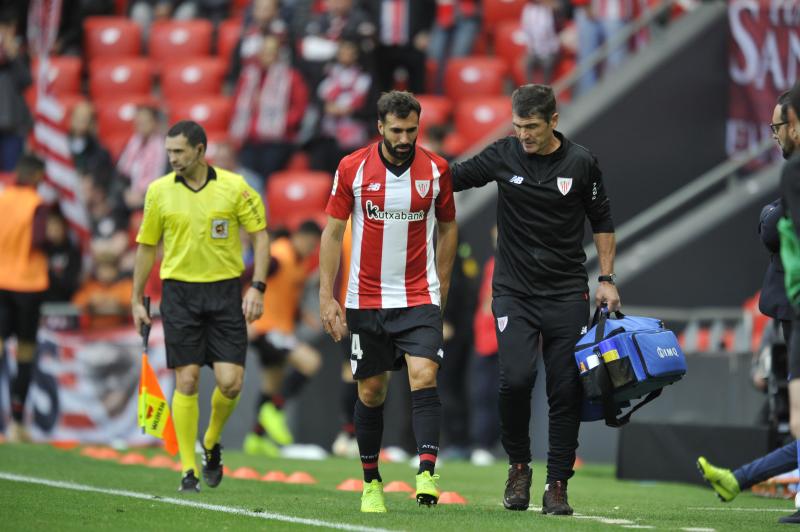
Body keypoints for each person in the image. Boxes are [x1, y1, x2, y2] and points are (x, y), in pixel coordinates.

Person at [451, 84, 619, 515]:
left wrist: (606, 278)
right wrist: (409, 162)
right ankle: (519, 466)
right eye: (518, 125)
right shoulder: (504, 154)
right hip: (514, 292)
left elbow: (602, 221)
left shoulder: (581, 163)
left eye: (531, 127)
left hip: (565, 291)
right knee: (517, 379)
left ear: (553, 122)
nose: (523, 134)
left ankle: (558, 485)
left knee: (564, 389)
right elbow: (453, 176)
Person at [319, 91, 458, 512]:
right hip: (366, 299)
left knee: (423, 373)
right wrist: (327, 295)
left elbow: (449, 229)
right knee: (373, 391)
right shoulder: (353, 168)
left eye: (411, 130)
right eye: (396, 130)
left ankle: (427, 472)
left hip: (419, 295)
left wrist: (442, 288)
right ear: (380, 127)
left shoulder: (436, 170)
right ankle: (371, 482)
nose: (404, 138)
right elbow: (331, 232)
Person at [131, 120, 269, 493]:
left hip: (225, 293)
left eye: (179, 151)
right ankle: (188, 468)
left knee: (230, 383)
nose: (172, 158)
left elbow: (260, 236)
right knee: (187, 378)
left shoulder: (235, 188)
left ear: (200, 150)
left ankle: (211, 441)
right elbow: (147, 246)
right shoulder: (158, 192)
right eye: (169, 151)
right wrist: (136, 298)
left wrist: (257, 287)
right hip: (179, 294)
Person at [697, 91, 800, 522]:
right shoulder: (791, 175)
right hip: (793, 308)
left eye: (777, 127)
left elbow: (774, 229)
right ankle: (744, 480)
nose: (774, 136)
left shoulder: (793, 174)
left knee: (799, 420)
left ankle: (740, 478)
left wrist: (773, 217)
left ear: (793, 123)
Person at [243, 220, 323, 457]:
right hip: (265, 327)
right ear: (298, 236)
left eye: (314, 245)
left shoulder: (301, 262)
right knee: (311, 362)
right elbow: (247, 278)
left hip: (280, 329)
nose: (310, 248)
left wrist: (301, 314)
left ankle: (255, 438)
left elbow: (284, 291)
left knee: (272, 383)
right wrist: (243, 316)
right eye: (309, 242)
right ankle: (275, 411)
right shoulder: (278, 255)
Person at [0, 154, 49, 443]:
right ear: (37, 175)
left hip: (0, 283)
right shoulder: (36, 204)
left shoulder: (3, 198)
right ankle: (17, 422)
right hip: (28, 285)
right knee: (25, 353)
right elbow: (39, 240)